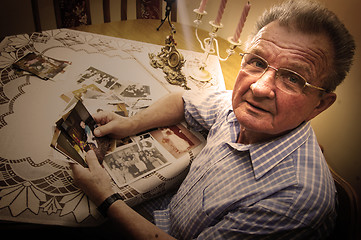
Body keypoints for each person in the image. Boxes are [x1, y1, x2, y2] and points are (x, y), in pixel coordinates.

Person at [70, 0, 355, 239]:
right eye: (257, 61)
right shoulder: (244, 107)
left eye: (293, 78)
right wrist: (130, 123)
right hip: (164, 213)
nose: (259, 87)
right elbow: (184, 100)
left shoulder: (294, 200)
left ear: (320, 104)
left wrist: (106, 198)